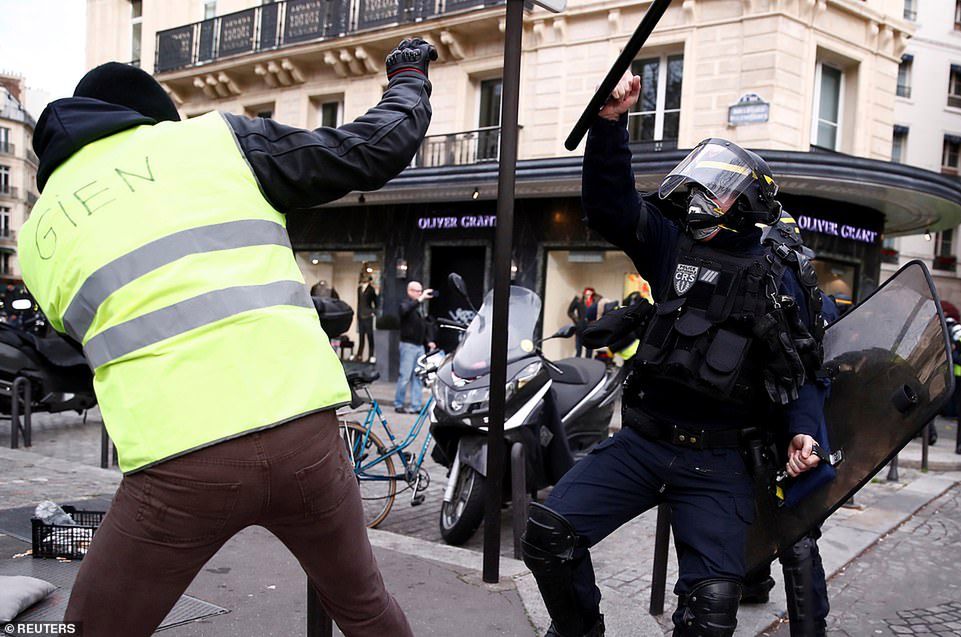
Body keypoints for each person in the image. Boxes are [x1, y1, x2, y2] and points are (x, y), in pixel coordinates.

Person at [18, 38, 435, 637]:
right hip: (304, 438)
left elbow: (83, 334)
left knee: (94, 628)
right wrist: (408, 76)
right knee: (365, 607)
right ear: (151, 117)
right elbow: (369, 149)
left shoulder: (37, 235)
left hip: (175, 465)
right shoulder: (212, 141)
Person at [522, 71, 827, 637]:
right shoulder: (674, 245)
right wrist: (609, 123)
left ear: (747, 204)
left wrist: (803, 432)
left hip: (719, 463)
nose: (701, 199)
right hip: (643, 443)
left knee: (710, 612)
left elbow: (802, 370)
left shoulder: (780, 276)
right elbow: (612, 208)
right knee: (548, 535)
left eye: (719, 191)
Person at [394, 280, 436, 414]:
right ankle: (398, 404)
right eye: (417, 291)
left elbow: (423, 325)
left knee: (418, 377)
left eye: (421, 291)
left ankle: (416, 406)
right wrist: (420, 299)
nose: (420, 293)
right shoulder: (405, 303)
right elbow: (404, 311)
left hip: (419, 346)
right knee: (405, 376)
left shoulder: (419, 306)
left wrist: (429, 340)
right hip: (408, 345)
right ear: (409, 291)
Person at [568, 287, 598, 357]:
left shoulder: (596, 302)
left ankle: (588, 364)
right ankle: (577, 363)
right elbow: (570, 311)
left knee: (589, 352)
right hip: (580, 328)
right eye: (586, 294)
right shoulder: (578, 300)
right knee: (578, 351)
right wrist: (577, 321)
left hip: (591, 329)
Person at [356, 273, 379, 363]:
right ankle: (359, 355)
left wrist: (373, 312)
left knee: (370, 336)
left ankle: (371, 355)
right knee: (361, 336)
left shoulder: (371, 289)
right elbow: (359, 302)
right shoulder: (359, 289)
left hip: (368, 315)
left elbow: (376, 302)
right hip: (361, 315)